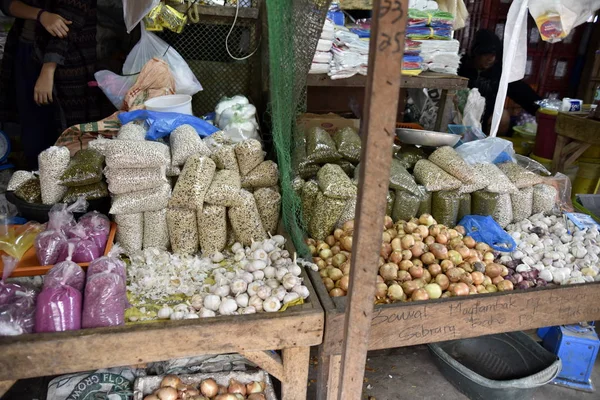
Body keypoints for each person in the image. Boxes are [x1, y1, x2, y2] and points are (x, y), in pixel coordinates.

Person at [0, 0, 98, 169]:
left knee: (65, 132)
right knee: (33, 128)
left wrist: (48, 70)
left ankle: (61, 184)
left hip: (66, 64)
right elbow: (7, 3)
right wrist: (41, 15)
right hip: (25, 50)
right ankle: (36, 177)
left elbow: (68, 23)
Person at [458, 29, 542, 135]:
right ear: (476, 52)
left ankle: (489, 143)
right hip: (460, 113)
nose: (491, 59)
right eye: (486, 54)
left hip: (486, 117)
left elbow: (521, 91)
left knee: (503, 116)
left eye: (494, 55)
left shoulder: (498, 72)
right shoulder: (461, 66)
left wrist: (540, 108)